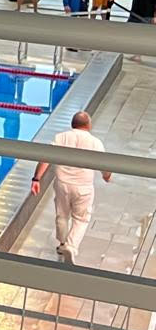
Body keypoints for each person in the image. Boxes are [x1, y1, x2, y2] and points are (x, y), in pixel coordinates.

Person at [30, 110, 110, 265]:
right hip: (83, 187)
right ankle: (71, 246)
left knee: (62, 215)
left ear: (72, 124)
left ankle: (61, 244)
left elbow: (46, 157)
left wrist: (36, 178)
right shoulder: (95, 142)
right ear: (88, 125)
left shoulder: (61, 137)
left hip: (62, 184)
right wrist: (107, 176)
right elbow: (105, 165)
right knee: (81, 219)